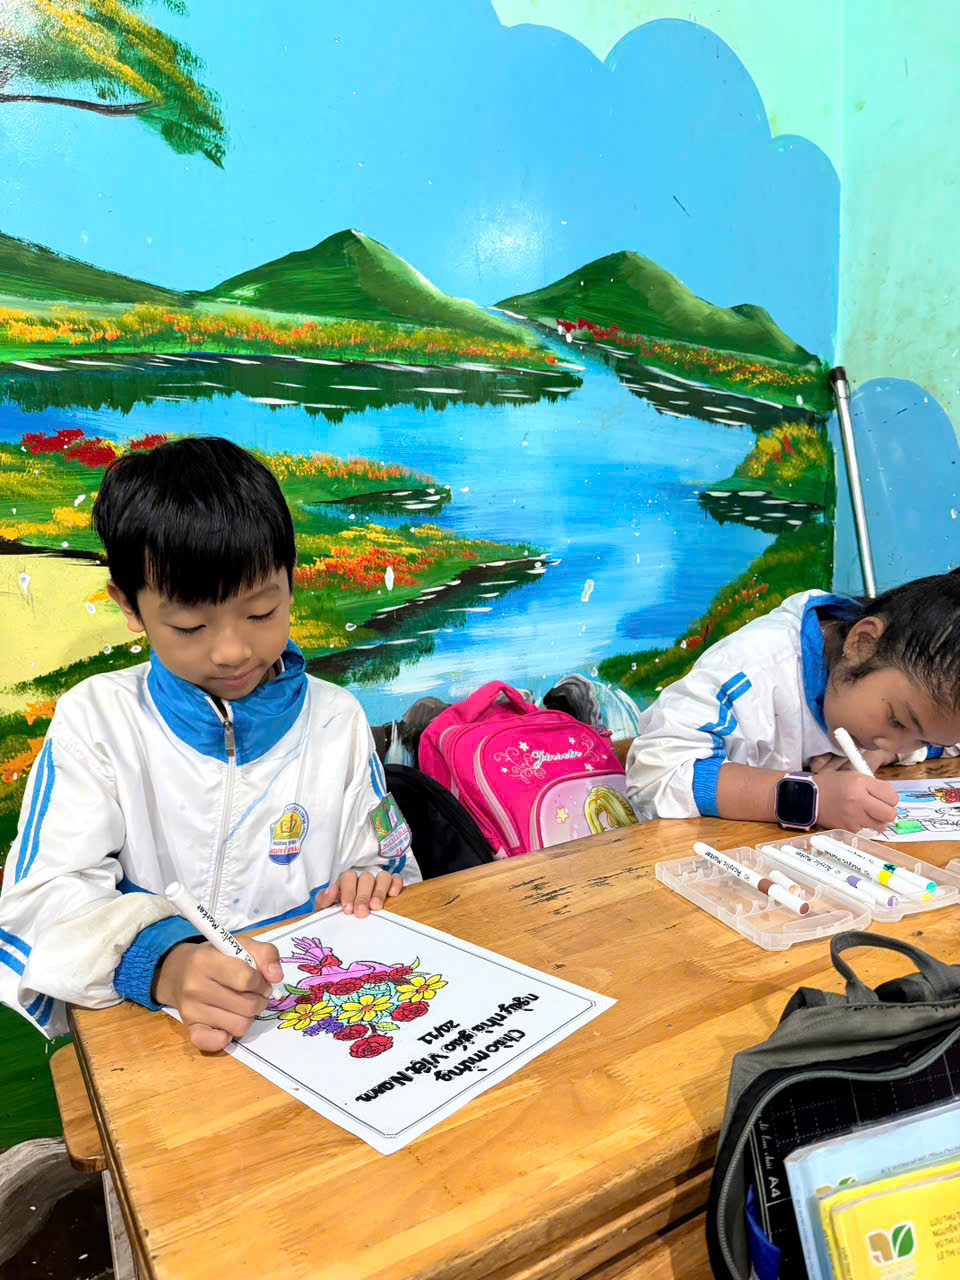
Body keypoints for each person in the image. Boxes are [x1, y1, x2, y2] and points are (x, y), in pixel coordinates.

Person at [0, 437, 420, 1051]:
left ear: (290, 581)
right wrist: (163, 965)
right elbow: (37, 904)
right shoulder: (98, 721)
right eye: (190, 625)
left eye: (261, 612)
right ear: (130, 606)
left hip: (309, 1030)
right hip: (158, 1039)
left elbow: (388, 861)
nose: (231, 651)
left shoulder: (338, 718)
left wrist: (370, 879)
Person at [626, 576, 960, 831]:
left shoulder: (899, 703)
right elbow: (655, 776)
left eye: (922, 740)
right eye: (897, 721)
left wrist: (882, 753)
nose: (896, 742)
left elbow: (945, 741)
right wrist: (807, 797)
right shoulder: (756, 668)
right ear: (862, 643)